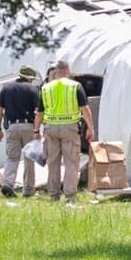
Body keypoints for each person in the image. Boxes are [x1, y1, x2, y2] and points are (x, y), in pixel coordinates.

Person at [33, 60, 95, 202]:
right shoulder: (75, 86)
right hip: (70, 128)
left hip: (51, 128)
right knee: (71, 163)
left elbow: (40, 113)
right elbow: (85, 109)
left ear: (55, 72)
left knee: (53, 163)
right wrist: (90, 128)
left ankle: (53, 195)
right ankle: (70, 195)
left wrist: (36, 130)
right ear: (68, 71)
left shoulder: (46, 88)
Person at [0, 65, 41, 198]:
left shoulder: (6, 88)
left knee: (12, 157)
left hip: (11, 127)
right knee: (29, 159)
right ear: (30, 78)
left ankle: (7, 184)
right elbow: (38, 111)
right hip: (28, 127)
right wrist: (37, 130)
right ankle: (28, 190)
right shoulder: (33, 89)